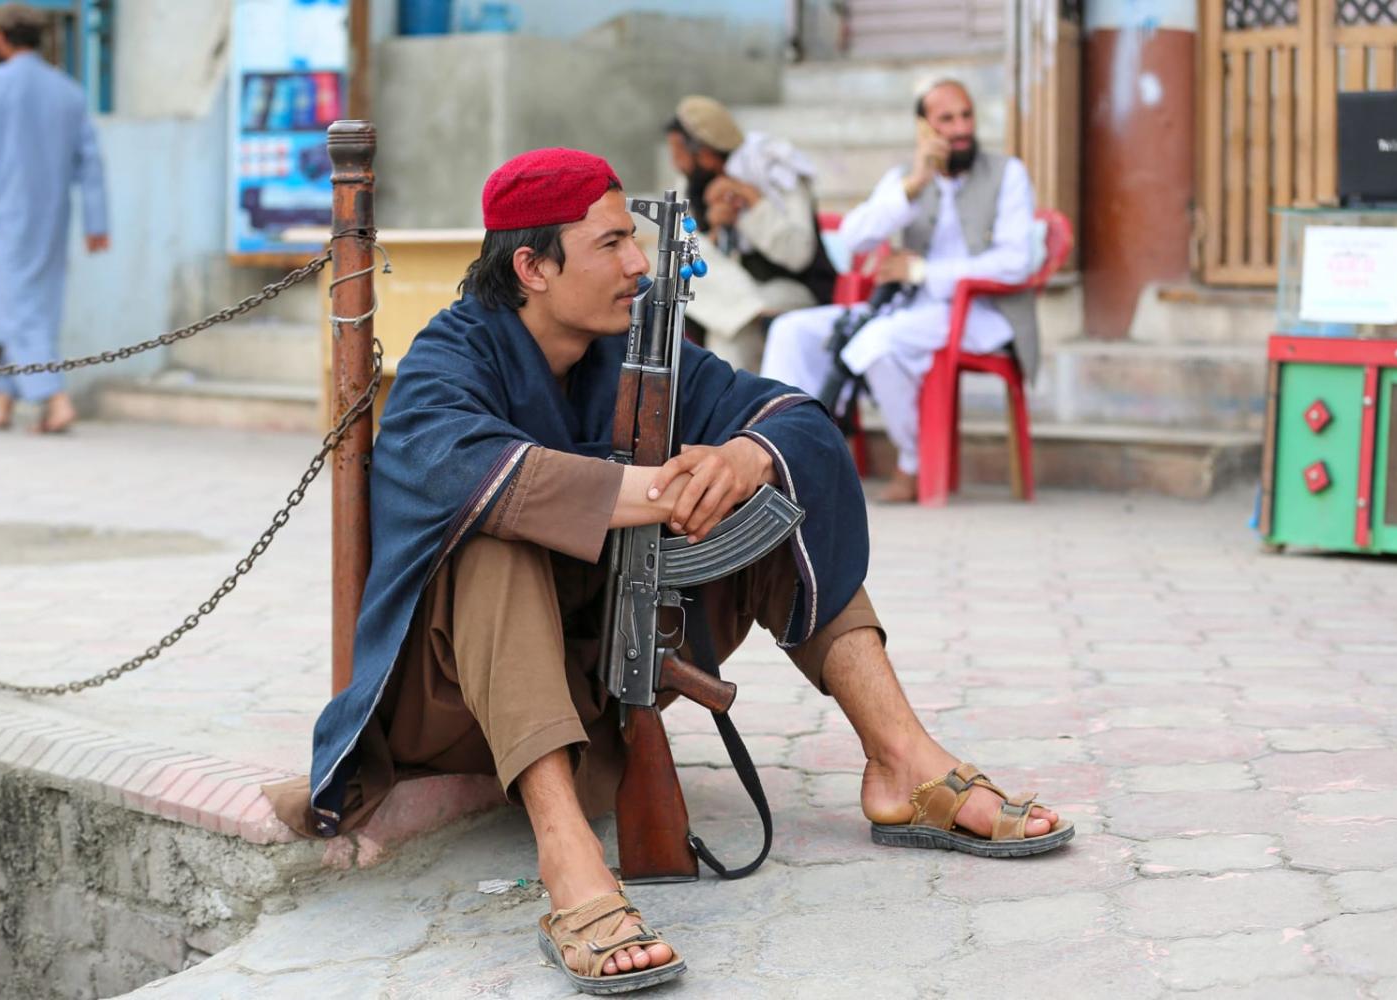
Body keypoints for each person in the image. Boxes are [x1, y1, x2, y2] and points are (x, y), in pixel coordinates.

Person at [268, 148, 1071, 994]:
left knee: (764, 499)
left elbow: (789, 416)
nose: (639, 263)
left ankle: (902, 763)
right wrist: (662, 489)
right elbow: (466, 470)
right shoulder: (449, 360)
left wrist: (745, 458)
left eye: (637, 240)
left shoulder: (635, 350)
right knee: (493, 536)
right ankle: (568, 857)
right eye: (612, 244)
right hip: (463, 703)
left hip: (603, 682)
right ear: (532, 267)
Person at [760, 80, 1040, 502]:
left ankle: (914, 463)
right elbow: (854, 238)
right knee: (792, 330)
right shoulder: (906, 179)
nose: (961, 128)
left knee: (878, 341)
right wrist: (913, 185)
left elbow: (1016, 260)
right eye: (947, 119)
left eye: (967, 116)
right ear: (923, 128)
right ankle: (776, 454)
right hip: (909, 312)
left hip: (983, 314)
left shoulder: (1007, 174)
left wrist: (924, 271)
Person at [0, 3, 109, 434]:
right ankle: (2, 399)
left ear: (1, 39)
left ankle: (54, 399)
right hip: (51, 220)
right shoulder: (69, 91)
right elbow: (90, 163)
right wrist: (97, 223)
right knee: (29, 308)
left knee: (17, 310)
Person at [664, 95, 836, 373]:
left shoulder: (776, 170)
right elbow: (694, 259)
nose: (676, 164)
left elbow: (798, 254)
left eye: (678, 154)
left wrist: (753, 205)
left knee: (730, 335)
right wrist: (714, 229)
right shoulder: (691, 185)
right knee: (664, 259)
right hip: (738, 297)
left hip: (790, 288)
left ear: (704, 154)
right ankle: (744, 310)